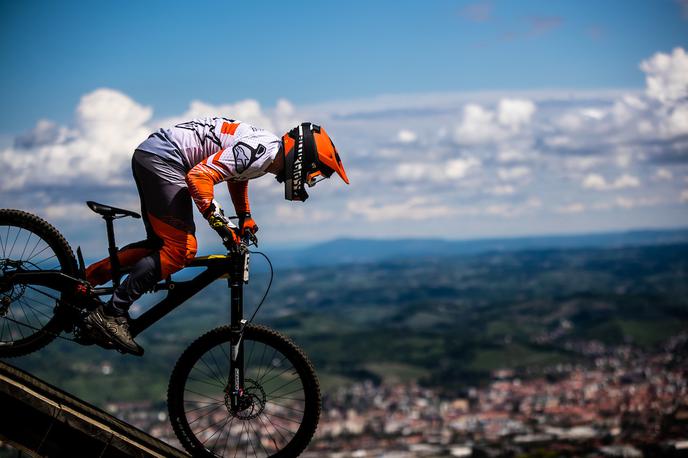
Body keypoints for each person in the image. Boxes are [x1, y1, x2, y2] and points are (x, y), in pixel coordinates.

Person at [83, 118, 349, 355]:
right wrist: (219, 221)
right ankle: (111, 313)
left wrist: (244, 215)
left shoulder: (266, 152)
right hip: (165, 159)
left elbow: (236, 174)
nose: (308, 181)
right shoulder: (263, 151)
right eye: (313, 175)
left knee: (163, 246)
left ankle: (86, 280)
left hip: (156, 155)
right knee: (181, 249)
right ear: (303, 158)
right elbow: (199, 176)